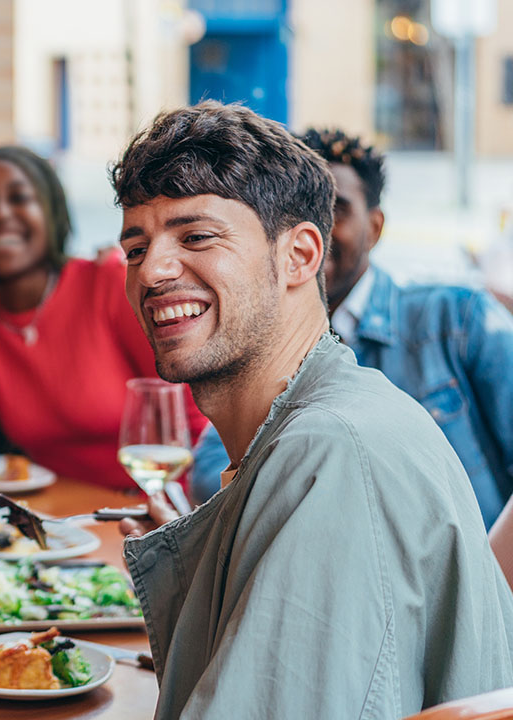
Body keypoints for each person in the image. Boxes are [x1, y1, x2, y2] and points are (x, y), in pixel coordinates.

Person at [112, 101, 513, 718]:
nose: (154, 271)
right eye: (136, 248)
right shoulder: (315, 424)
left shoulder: (330, 452)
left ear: (301, 256)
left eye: (196, 236)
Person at [187, 129, 513, 527]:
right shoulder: (259, 335)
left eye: (335, 209)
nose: (313, 230)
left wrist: (491, 580)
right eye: (292, 211)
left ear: (374, 228)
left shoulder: (457, 319)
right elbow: (207, 474)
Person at [0, 145, 204, 488]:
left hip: (156, 510)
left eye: (19, 198)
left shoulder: (108, 283)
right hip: (62, 521)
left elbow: (189, 411)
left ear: (50, 209)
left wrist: (187, 520)